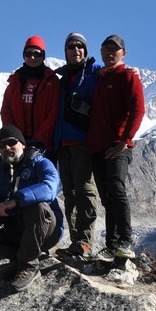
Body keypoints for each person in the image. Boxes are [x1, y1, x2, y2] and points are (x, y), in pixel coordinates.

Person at [0, 125, 63, 292]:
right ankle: (16, 259)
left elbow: (50, 187)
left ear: (23, 144)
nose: (7, 148)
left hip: (46, 229)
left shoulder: (40, 163)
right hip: (16, 229)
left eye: (12, 142)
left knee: (38, 208)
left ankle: (29, 264)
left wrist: (17, 200)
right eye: (2, 145)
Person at [86, 35, 145, 263]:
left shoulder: (128, 76)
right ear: (101, 51)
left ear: (123, 53)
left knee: (116, 190)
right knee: (107, 198)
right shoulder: (101, 78)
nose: (110, 52)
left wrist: (125, 140)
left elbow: (138, 109)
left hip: (118, 146)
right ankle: (111, 246)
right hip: (97, 148)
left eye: (115, 49)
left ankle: (125, 242)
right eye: (106, 49)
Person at [53, 32, 103, 261]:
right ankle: (76, 244)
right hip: (63, 144)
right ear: (66, 51)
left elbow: (116, 77)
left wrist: (130, 71)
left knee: (85, 191)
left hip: (84, 142)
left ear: (86, 50)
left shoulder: (94, 72)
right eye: (71, 47)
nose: (76, 50)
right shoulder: (61, 80)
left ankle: (85, 242)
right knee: (71, 195)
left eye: (80, 47)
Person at [0, 36, 60, 158]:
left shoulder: (52, 81)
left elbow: (55, 111)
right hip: (19, 146)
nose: (32, 57)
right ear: (24, 56)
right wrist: (15, 139)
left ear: (43, 56)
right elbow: (6, 111)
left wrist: (40, 139)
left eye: (36, 54)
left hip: (45, 145)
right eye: (28, 53)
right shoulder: (14, 83)